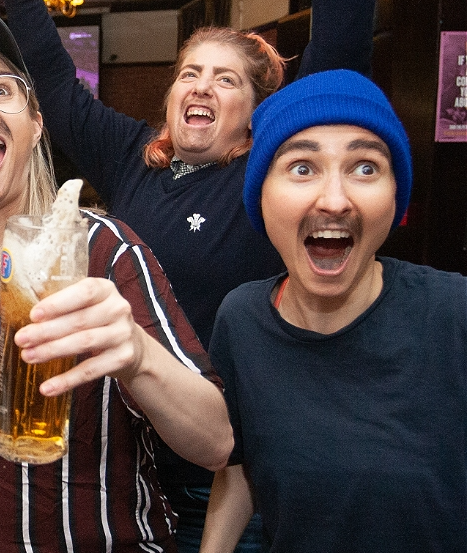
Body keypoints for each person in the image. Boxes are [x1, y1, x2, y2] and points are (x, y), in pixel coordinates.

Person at [4, 1, 375, 550]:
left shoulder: (265, 179)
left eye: (225, 80)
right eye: (189, 74)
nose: (201, 86)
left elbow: (339, 52)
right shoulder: (130, 157)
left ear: (257, 113)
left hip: (224, 479)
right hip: (124, 470)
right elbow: (54, 81)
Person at [0, 3, 233, 551]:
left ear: (36, 124)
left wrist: (138, 354)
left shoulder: (104, 252)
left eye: (1, 89)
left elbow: (216, 443)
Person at [199, 69, 467, 552]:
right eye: (303, 168)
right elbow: (240, 472)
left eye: (365, 168)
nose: (336, 200)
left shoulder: (453, 313)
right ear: (261, 195)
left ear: (395, 195)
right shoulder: (241, 320)